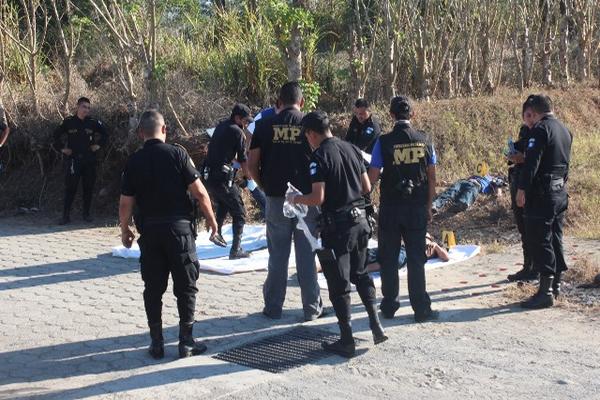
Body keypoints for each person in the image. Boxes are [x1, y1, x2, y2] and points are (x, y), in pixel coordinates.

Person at [119, 110, 219, 359]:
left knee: (153, 289)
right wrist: (212, 220)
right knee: (186, 287)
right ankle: (186, 342)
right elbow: (200, 192)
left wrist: (124, 230)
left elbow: (125, 203)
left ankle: (156, 343)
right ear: (164, 130)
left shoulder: (134, 161)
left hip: (150, 233)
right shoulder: (178, 154)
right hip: (180, 231)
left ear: (141, 133)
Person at [288, 111, 387, 357]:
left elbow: (317, 197)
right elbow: (366, 186)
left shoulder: (318, 157)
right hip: (361, 222)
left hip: (338, 228)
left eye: (307, 136)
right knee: (361, 273)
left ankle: (346, 339)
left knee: (339, 283)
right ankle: (376, 324)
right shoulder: (351, 148)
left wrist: (295, 198)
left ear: (311, 134)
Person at [248, 81, 324, 321]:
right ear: (302, 102)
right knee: (306, 256)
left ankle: (273, 307)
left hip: (276, 198)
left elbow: (251, 164)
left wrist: (265, 186)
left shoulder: (264, 125)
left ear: (278, 102)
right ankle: (311, 308)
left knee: (277, 255)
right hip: (307, 199)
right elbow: (322, 161)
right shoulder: (311, 126)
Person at [368, 96, 438, 322]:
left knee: (388, 257)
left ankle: (389, 306)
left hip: (391, 208)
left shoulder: (383, 141)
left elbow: (373, 176)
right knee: (417, 258)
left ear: (391, 116)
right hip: (417, 208)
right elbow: (432, 177)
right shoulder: (425, 140)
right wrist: (428, 206)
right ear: (412, 115)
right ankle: (421, 309)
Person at [516, 94, 571, 309]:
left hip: (542, 193)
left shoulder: (540, 130)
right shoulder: (564, 130)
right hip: (559, 191)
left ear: (536, 112)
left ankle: (545, 291)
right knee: (555, 237)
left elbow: (532, 163)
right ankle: (555, 285)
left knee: (540, 238)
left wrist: (522, 189)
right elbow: (565, 163)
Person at [203, 104, 253, 259]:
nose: (246, 124)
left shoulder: (221, 127)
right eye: (245, 121)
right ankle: (236, 250)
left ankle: (215, 233)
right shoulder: (238, 132)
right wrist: (248, 178)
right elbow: (244, 160)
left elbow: (227, 153)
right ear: (237, 118)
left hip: (209, 176)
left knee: (224, 204)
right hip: (222, 179)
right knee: (240, 212)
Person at [53, 97, 108, 224]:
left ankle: (86, 214)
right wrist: (62, 149)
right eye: (84, 107)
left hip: (89, 161)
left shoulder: (93, 122)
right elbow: (55, 136)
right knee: (70, 188)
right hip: (74, 160)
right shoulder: (69, 122)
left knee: (88, 188)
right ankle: (65, 216)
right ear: (77, 106)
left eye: (88, 108)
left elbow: (106, 135)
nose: (86, 110)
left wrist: (98, 145)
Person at [506, 97, 537, 282]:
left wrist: (523, 158)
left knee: (535, 228)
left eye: (532, 115)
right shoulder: (525, 131)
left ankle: (539, 269)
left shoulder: (543, 132)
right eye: (527, 115)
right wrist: (511, 154)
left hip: (533, 185)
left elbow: (538, 159)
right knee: (523, 227)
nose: (530, 119)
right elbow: (514, 153)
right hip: (518, 179)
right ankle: (528, 266)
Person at [431, 174, 506, 213]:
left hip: (477, 185)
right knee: (452, 190)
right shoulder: (484, 176)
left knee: (471, 191)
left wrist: (498, 195)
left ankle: (462, 204)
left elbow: (498, 190)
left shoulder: (494, 180)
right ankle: (435, 205)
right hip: (465, 181)